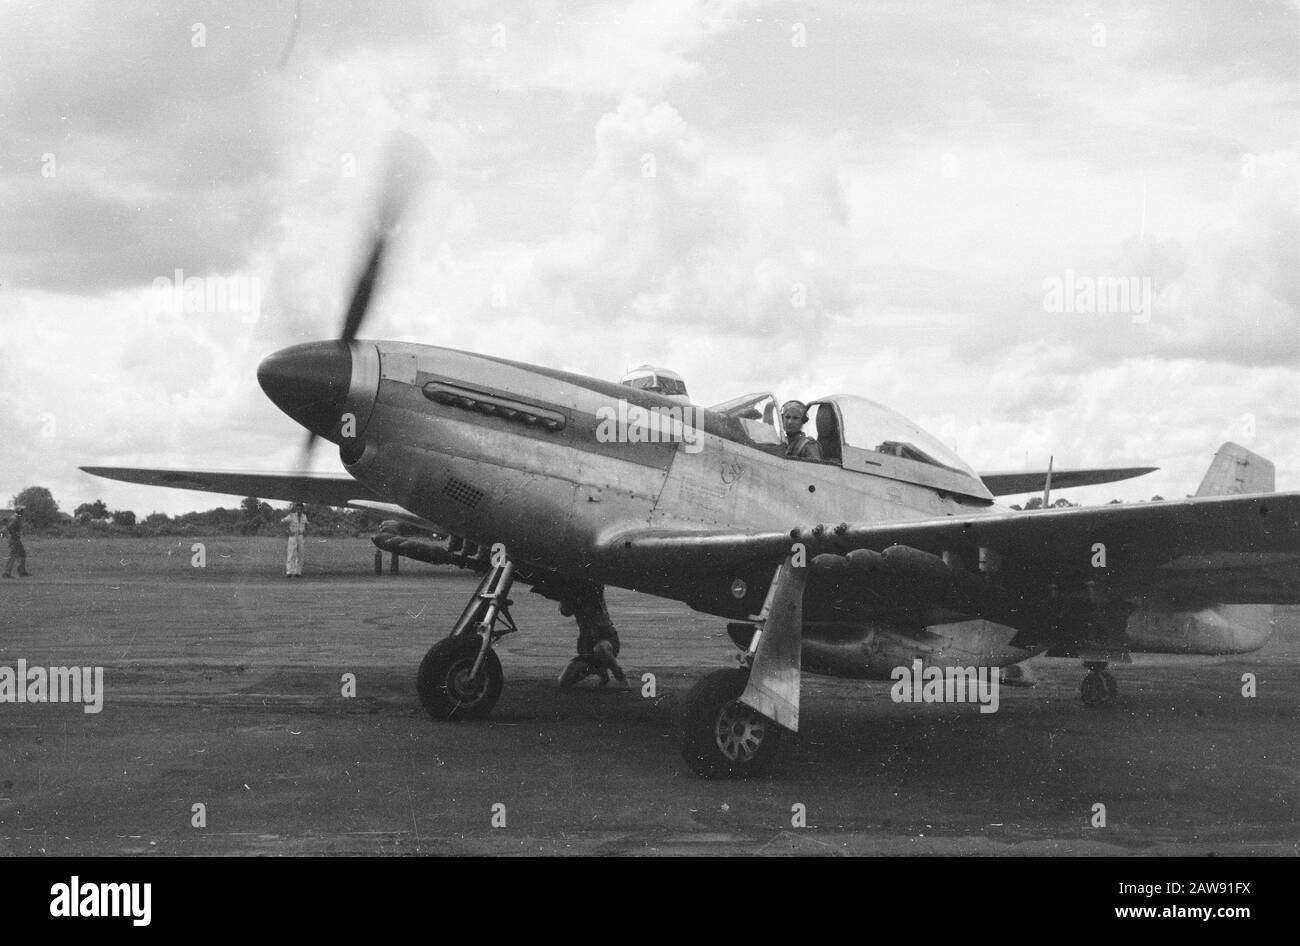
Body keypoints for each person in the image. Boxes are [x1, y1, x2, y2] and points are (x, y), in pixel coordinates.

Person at [2, 507, 30, 578]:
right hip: (13, 539)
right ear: (20, 511)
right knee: (12, 555)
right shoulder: (14, 518)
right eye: (23, 511)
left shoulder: (18, 518)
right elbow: (10, 527)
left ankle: (22, 572)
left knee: (22, 554)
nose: (24, 512)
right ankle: (6, 573)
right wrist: (15, 535)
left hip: (15, 539)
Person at [281, 502, 308, 578]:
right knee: (291, 554)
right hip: (293, 536)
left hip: (300, 536)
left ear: (302, 509)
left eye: (300, 509)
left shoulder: (304, 516)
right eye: (298, 508)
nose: (299, 510)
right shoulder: (291, 516)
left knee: (301, 554)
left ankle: (298, 572)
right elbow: (283, 521)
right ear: (296, 509)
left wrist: (305, 532)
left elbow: (306, 524)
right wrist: (288, 531)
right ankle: (289, 571)